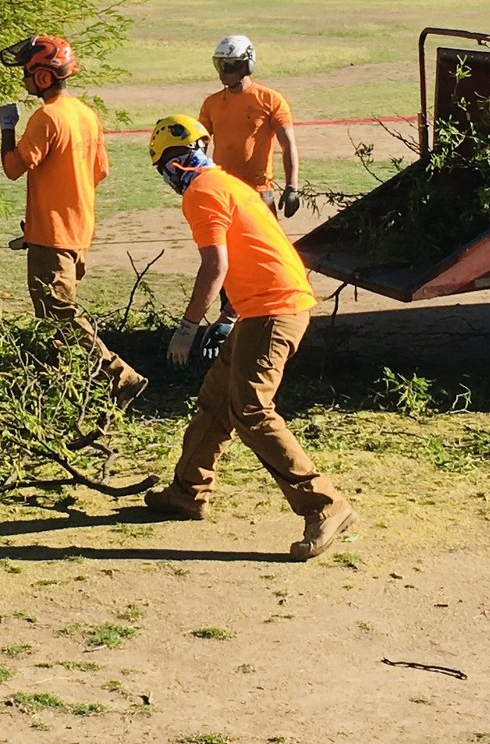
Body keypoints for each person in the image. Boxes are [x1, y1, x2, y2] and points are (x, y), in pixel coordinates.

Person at [140, 113, 352, 561]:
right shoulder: (230, 184)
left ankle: (324, 504)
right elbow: (252, 250)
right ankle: (187, 490)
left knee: (251, 410)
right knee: (217, 398)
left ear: (168, 165)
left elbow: (215, 266)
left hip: (274, 309)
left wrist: (187, 328)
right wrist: (230, 317)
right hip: (268, 306)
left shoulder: (201, 193)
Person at [0, 34, 148, 401]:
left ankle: (120, 377)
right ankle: (55, 391)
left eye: (28, 74)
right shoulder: (85, 114)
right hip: (78, 232)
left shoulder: (46, 117)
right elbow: (100, 172)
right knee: (52, 323)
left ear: (45, 77)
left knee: (61, 315)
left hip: (54, 236)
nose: (23, 81)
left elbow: (13, 168)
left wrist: (6, 129)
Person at [200, 34, 301, 217]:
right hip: (223, 190)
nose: (222, 73)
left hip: (259, 192)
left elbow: (288, 146)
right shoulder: (211, 104)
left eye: (229, 66)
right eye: (220, 65)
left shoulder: (271, 100)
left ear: (245, 66)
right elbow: (200, 148)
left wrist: (292, 187)